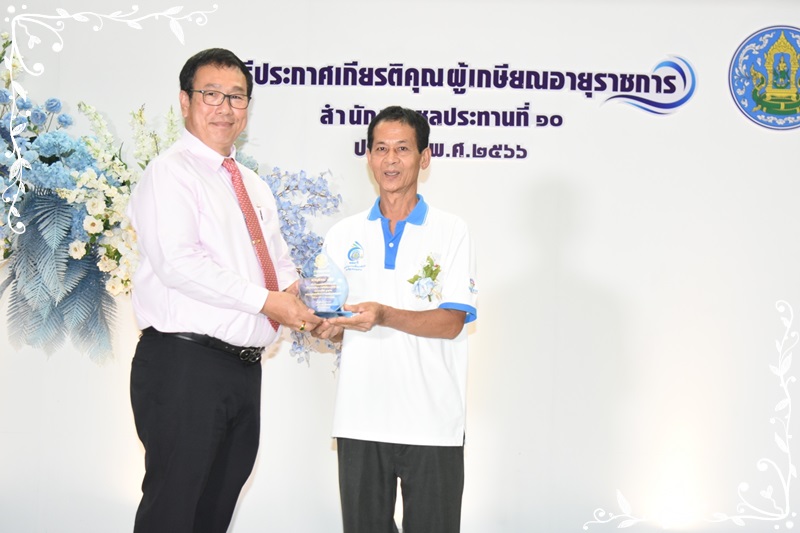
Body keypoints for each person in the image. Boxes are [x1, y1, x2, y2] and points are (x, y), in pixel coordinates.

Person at [127, 48, 321, 533]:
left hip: (243, 371)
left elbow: (279, 269)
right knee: (173, 513)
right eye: (211, 94)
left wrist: (317, 312)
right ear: (185, 101)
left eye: (237, 97)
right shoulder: (171, 173)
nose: (225, 108)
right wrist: (270, 302)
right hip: (184, 366)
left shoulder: (252, 184)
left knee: (213, 515)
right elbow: (179, 264)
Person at [314, 106, 478, 533]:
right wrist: (323, 326)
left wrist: (384, 314)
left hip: (432, 422)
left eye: (402, 149)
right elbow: (332, 324)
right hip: (360, 419)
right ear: (368, 156)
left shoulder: (451, 230)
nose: (390, 160)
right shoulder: (342, 234)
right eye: (381, 149)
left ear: (424, 157)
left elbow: (451, 323)